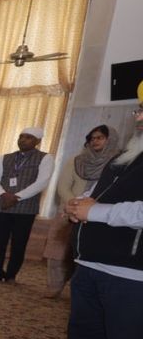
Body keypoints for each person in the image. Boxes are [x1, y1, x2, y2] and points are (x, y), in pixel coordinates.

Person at [43, 104, 143, 339]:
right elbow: (96, 194)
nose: (139, 119)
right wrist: (79, 204)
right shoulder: (124, 158)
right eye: (140, 111)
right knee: (86, 337)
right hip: (92, 263)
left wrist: (95, 211)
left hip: (132, 271)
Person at [43, 125, 118, 297]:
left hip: (98, 215)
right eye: (92, 138)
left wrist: (88, 208)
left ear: (110, 139)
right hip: (68, 211)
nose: (95, 141)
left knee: (86, 253)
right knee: (57, 253)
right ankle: (54, 288)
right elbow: (63, 186)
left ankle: (81, 291)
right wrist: (75, 204)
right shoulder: (76, 160)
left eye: (100, 137)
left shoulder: (118, 163)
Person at [0, 127, 54, 284]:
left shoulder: (45, 158)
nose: (23, 140)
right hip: (1, 207)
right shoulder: (5, 158)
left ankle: (11, 276)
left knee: (19, 244)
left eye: (28, 137)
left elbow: (42, 182)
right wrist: (3, 195)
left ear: (37, 141)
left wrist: (17, 197)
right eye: (21, 136)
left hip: (25, 209)